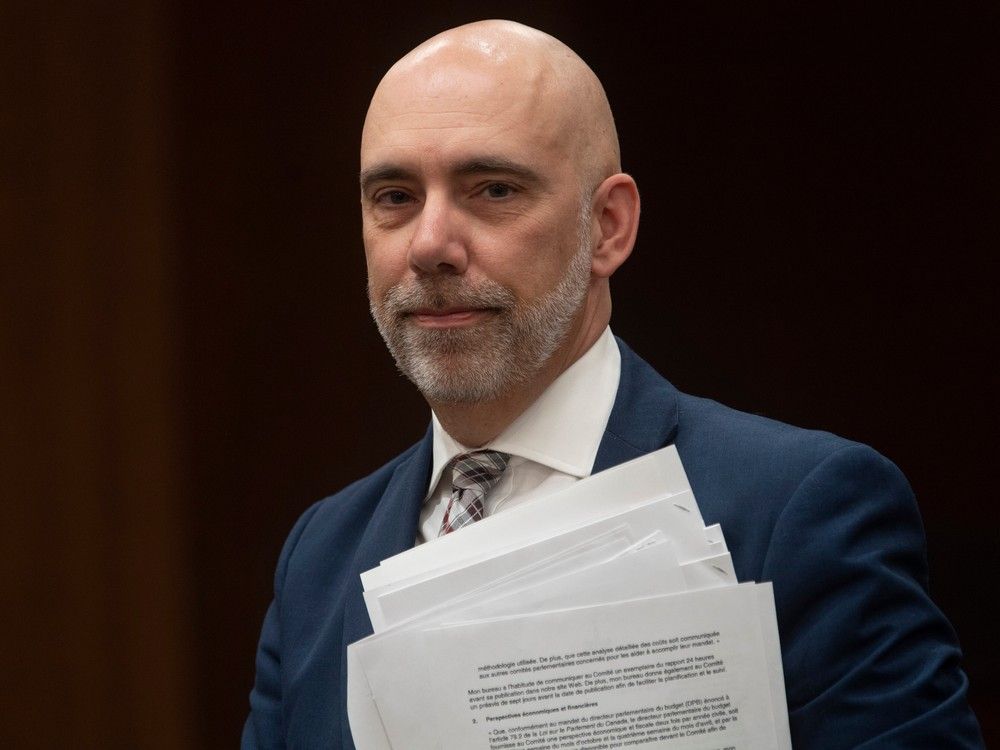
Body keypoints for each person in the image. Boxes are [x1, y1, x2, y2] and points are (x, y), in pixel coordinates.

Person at [242, 20, 983, 749]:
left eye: (493, 189)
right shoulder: (319, 557)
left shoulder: (801, 510)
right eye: (395, 197)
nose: (430, 244)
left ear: (608, 226)